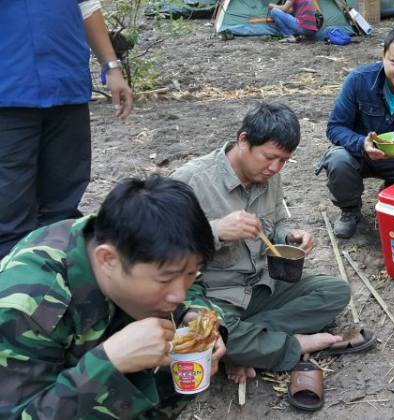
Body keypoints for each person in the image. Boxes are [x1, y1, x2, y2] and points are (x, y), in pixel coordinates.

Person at [171, 101, 373, 387]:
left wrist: (288, 236)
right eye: (270, 157)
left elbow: (276, 223)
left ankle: (245, 344)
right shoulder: (190, 182)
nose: (275, 168)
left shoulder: (269, 176)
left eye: (284, 161)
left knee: (335, 291)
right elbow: (160, 251)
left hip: (262, 287)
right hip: (216, 297)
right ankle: (292, 345)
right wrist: (215, 230)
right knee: (200, 327)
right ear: (243, 141)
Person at [0, 175, 227, 420]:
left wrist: (193, 316)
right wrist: (108, 361)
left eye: (190, 273)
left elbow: (193, 287)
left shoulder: (148, 247)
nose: (179, 293)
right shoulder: (27, 306)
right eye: (164, 280)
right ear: (107, 260)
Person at [0, 0, 134, 260]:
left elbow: (87, 7)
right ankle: (13, 292)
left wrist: (112, 67)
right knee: (9, 211)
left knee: (63, 204)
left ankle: (56, 285)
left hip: (67, 87)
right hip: (8, 96)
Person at [316, 25, 394, 239]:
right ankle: (350, 209)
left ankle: (393, 196)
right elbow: (335, 127)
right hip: (361, 154)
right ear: (384, 55)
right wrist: (362, 144)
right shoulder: (359, 80)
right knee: (337, 158)